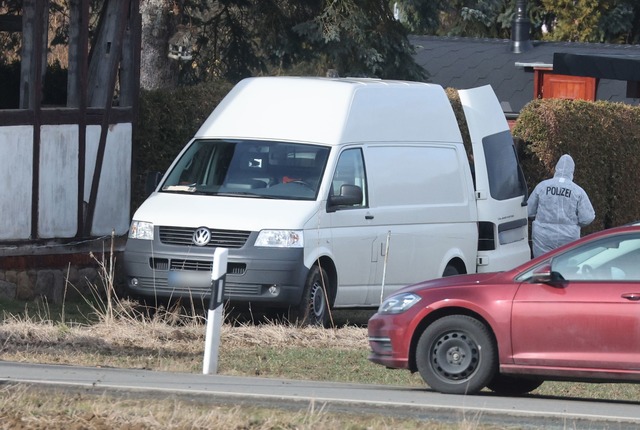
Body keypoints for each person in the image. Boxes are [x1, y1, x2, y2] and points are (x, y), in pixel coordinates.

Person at [527, 154, 595, 258]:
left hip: (543, 236)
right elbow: (587, 217)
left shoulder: (542, 186)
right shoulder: (578, 191)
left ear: (556, 168)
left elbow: (529, 211)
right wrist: (575, 224)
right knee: (566, 267)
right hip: (568, 238)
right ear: (572, 171)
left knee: (542, 266)